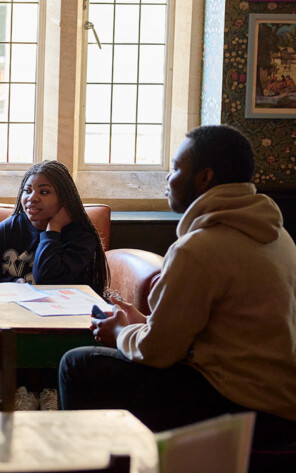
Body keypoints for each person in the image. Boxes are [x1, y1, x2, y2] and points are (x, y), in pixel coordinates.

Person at [59, 125, 296, 440]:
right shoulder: (279, 236)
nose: (167, 179)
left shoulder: (199, 248)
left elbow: (158, 352)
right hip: (279, 401)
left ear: (204, 177)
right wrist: (142, 322)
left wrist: (120, 331)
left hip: (236, 403)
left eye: (174, 168)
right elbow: (220, 336)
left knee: (77, 365)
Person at [0, 160, 109, 296]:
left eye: (44, 192)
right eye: (27, 191)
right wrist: (13, 283)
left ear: (64, 198)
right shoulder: (5, 230)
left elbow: (48, 281)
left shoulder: (81, 237)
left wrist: (53, 230)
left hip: (66, 311)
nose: (32, 198)